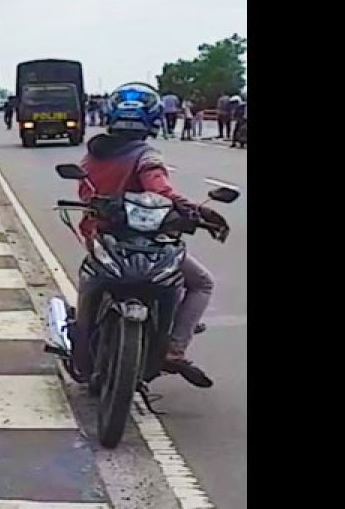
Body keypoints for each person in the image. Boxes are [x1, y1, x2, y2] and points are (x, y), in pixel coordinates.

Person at [69, 82, 229, 389]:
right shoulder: (145, 155)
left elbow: (86, 194)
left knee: (90, 281)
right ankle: (174, 348)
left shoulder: (93, 155)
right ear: (153, 119)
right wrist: (197, 211)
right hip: (145, 242)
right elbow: (160, 189)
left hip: (102, 237)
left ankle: (82, 341)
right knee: (202, 282)